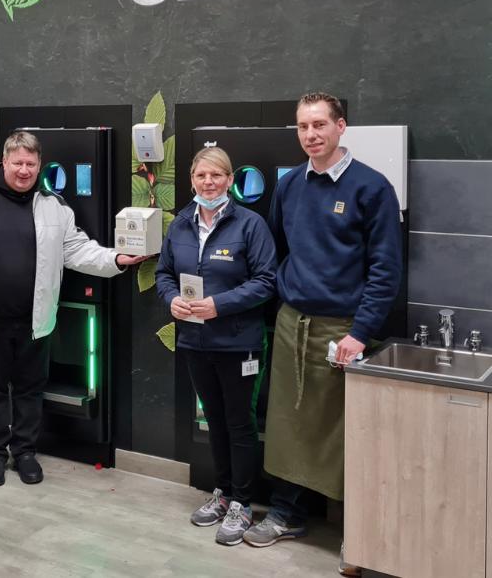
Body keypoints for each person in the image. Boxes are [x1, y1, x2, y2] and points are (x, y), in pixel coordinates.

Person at [242, 94, 402, 576]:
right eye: (302, 127)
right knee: (291, 423)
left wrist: (361, 333)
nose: (310, 135)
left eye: (319, 125)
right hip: (294, 323)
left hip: (345, 331)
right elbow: (277, 249)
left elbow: (385, 271)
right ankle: (288, 514)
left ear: (341, 127)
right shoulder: (289, 185)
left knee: (345, 431)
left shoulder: (371, 188)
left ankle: (360, 532)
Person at [0, 131, 148, 487]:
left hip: (36, 319)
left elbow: (78, 250)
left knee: (30, 389)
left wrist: (117, 259)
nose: (23, 170)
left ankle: (25, 451)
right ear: (4, 161)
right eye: (17, 162)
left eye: (30, 164)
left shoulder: (54, 206)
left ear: (38, 165)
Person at [155, 147, 277, 546]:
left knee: (240, 423)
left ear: (229, 180)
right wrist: (170, 297)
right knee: (214, 421)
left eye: (217, 176)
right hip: (194, 341)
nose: (209, 183)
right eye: (202, 176)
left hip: (238, 344)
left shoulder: (250, 224)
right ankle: (223, 494)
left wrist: (218, 305)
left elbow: (266, 281)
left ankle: (244, 502)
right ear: (192, 180)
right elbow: (163, 273)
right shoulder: (180, 225)